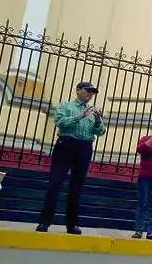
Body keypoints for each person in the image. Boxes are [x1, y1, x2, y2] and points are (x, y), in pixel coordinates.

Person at [36, 82, 106, 234]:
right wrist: (80, 116)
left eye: (92, 92)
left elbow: (100, 132)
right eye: (88, 91)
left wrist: (99, 120)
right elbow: (60, 123)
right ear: (78, 91)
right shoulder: (66, 106)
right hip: (66, 144)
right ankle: (45, 221)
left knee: (77, 187)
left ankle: (72, 224)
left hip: (84, 147)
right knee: (55, 184)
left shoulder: (93, 112)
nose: (90, 94)